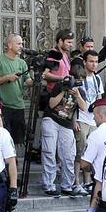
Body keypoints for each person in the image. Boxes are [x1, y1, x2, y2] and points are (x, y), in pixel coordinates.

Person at [39, 54, 83, 198]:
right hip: (51, 120)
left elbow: (84, 107)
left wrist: (77, 95)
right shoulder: (60, 85)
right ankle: (49, 184)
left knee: (69, 155)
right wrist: (64, 90)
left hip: (67, 124)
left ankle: (67, 185)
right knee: (49, 152)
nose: (74, 83)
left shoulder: (78, 90)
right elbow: (51, 104)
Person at [0, 34, 28, 145]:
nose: (22, 46)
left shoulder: (22, 63)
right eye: (19, 43)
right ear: (10, 45)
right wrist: (7, 78)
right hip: (3, 106)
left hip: (19, 106)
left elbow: (28, 81)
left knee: (17, 140)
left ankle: (14, 161)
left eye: (22, 43)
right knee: (4, 138)